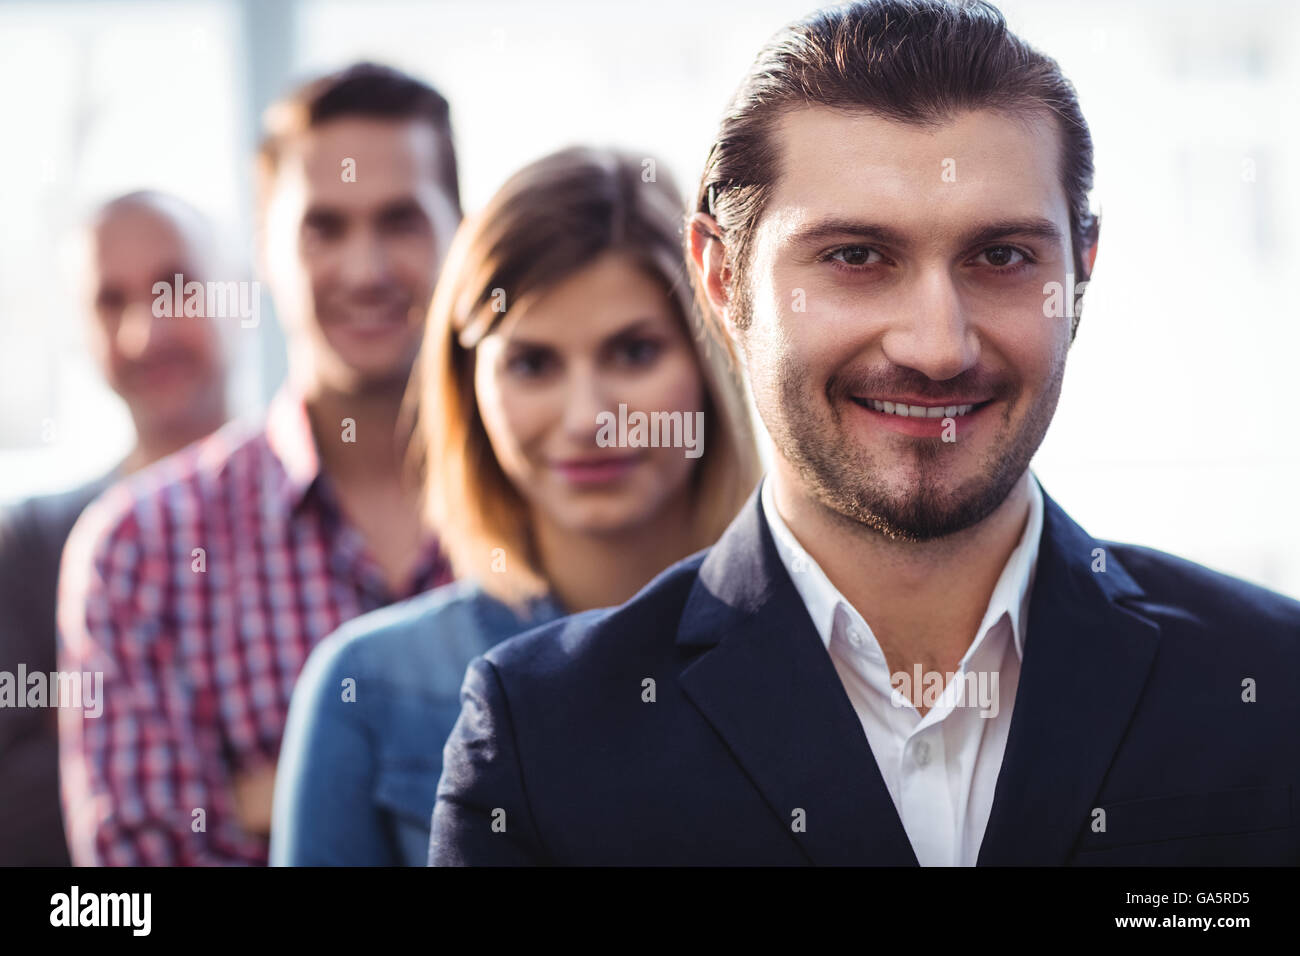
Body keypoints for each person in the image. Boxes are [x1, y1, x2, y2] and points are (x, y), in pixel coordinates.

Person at [430, 0, 1300, 866]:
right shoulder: (542, 738)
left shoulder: (1271, 679)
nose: (937, 346)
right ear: (723, 279)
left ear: (1080, 276)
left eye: (1000, 257)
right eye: (855, 256)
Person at [270, 146, 762, 866]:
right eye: (532, 364)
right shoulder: (369, 689)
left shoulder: (823, 646)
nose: (589, 417)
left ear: (713, 356)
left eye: (634, 352)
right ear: (470, 388)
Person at [57, 62, 462, 865]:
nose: (366, 268)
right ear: (264, 251)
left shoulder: (561, 509)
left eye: (400, 220)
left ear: (464, 232)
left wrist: (291, 800)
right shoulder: (139, 550)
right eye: (325, 228)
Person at [0, 191, 229, 865]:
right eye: (110, 302)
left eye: (175, 289)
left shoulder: (322, 507)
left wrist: (106, 734)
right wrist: (242, 783)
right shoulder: (32, 546)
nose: (146, 332)